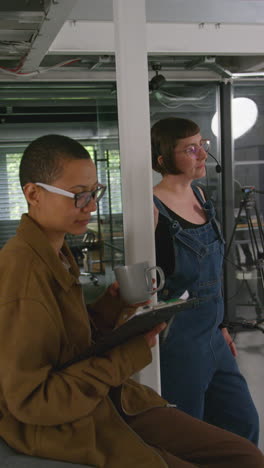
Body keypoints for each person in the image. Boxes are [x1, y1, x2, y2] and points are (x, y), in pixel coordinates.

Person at [0, 134, 263, 468]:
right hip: (67, 424)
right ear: (33, 194)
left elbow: (64, 345)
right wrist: (127, 355)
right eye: (79, 196)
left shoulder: (57, 252)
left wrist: (107, 310)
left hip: (107, 400)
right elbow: (35, 401)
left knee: (244, 455)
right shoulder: (22, 274)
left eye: (95, 193)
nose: (92, 206)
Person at [151, 116, 260, 446]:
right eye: (191, 149)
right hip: (181, 344)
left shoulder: (199, 193)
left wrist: (223, 325)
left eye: (203, 145)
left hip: (213, 336)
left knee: (242, 423)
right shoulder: (153, 209)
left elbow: (213, 275)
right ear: (163, 159)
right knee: (187, 437)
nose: (202, 155)